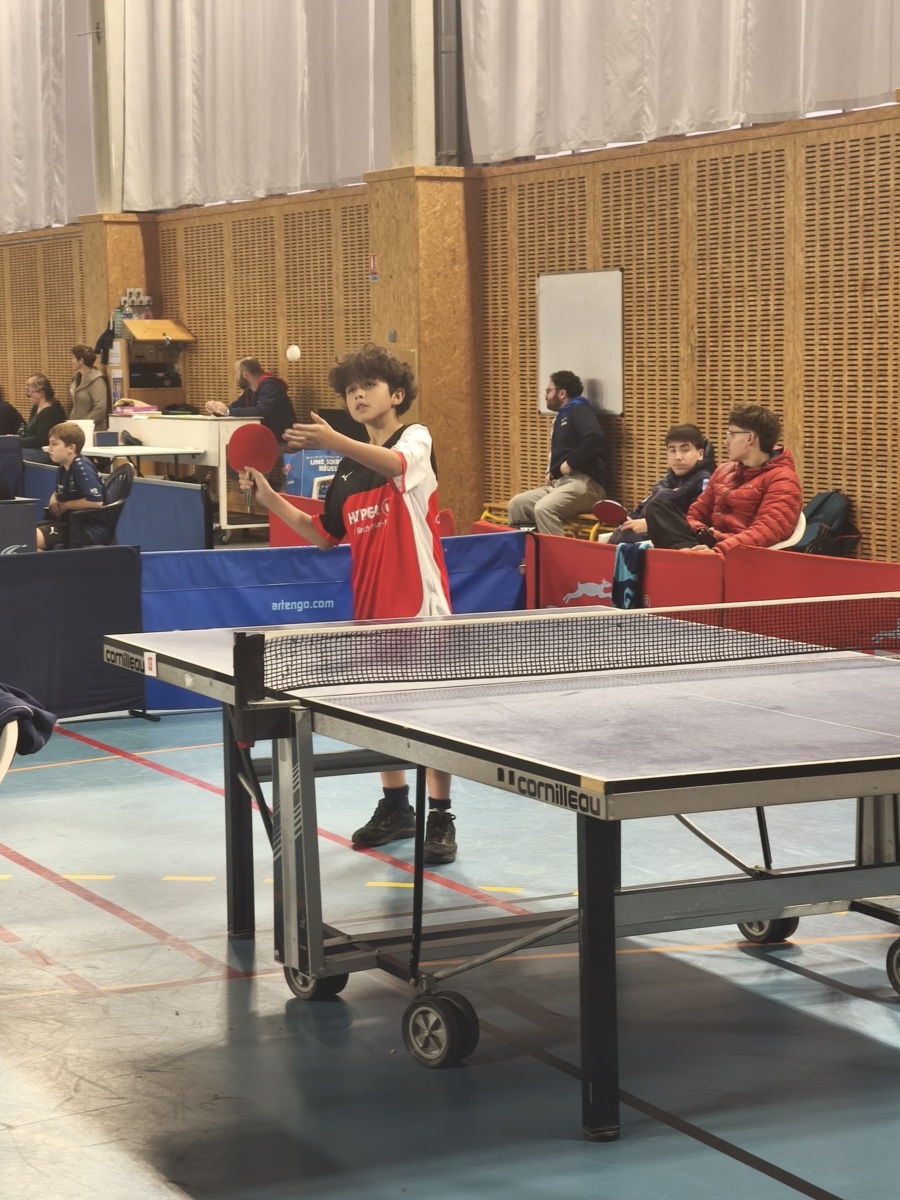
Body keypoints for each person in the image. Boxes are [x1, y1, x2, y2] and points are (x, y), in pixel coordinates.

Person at [239, 344, 458, 865]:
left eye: (368, 387)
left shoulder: (415, 438)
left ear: (396, 395)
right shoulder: (345, 471)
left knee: (432, 719)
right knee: (380, 714)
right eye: (350, 390)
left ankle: (441, 817)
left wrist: (334, 438)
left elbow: (397, 465)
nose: (357, 396)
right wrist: (271, 500)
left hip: (420, 609)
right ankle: (397, 807)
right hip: (370, 611)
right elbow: (322, 535)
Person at [644, 404, 802, 553]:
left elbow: (766, 531)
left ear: (750, 438)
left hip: (740, 554)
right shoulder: (723, 470)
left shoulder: (783, 479)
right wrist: (701, 531)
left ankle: (690, 559)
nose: (726, 441)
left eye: (731, 434)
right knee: (658, 508)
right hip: (709, 544)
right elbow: (695, 514)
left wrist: (718, 549)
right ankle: (690, 555)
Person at [507, 370, 607, 535]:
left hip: (586, 485)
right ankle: (527, 550)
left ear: (562, 393)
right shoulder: (561, 417)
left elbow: (595, 437)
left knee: (544, 509)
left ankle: (556, 552)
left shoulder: (578, 408)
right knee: (517, 504)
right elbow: (564, 453)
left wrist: (572, 462)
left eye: (548, 390)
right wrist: (552, 472)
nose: (545, 395)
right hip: (561, 484)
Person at [608, 424, 715, 545]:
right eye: (672, 450)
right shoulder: (666, 481)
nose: (678, 457)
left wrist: (653, 524)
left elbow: (699, 522)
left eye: (685, 450)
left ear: (700, 454)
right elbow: (642, 507)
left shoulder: (705, 482)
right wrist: (630, 520)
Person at [35, 422, 106, 550]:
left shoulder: (82, 468)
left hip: (88, 529)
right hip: (68, 523)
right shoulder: (63, 467)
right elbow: (60, 491)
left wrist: (66, 505)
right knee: (22, 535)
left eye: (54, 444)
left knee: (27, 539)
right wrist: (54, 498)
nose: (49, 448)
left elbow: (96, 501)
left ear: (71, 448)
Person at [204, 357, 295, 440]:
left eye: (236, 372)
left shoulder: (270, 385)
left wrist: (227, 411)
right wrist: (216, 409)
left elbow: (260, 411)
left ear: (245, 375)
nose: (235, 377)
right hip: (262, 437)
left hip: (280, 440)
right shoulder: (250, 390)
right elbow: (235, 407)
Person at [19, 376, 66, 464]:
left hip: (47, 451)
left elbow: (40, 440)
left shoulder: (50, 412)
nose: (29, 396)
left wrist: (16, 442)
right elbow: (29, 432)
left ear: (42, 393)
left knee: (11, 454)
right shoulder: (35, 408)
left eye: (31, 392)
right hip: (34, 448)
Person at [69, 345, 109, 430]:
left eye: (73, 358)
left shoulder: (97, 380)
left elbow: (100, 409)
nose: (71, 361)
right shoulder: (77, 378)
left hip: (92, 430)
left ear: (81, 361)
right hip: (77, 428)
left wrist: (85, 424)